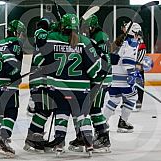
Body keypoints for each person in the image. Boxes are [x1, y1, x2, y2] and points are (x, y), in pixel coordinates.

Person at [29, 13, 106, 156]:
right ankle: (88, 143)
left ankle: (59, 143)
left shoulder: (52, 38)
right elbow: (94, 69)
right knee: (83, 115)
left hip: (58, 87)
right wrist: (98, 75)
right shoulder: (84, 41)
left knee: (62, 113)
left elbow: (39, 59)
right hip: (80, 88)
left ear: (62, 26)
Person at [68, 14, 112, 152]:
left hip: (101, 77)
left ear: (92, 27)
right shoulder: (95, 37)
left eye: (87, 28)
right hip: (97, 77)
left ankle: (104, 138)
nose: (85, 31)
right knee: (86, 109)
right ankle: (82, 136)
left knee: (94, 109)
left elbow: (103, 57)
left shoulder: (100, 36)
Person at [0, 20, 26, 158]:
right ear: (17, 32)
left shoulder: (0, 43)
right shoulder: (14, 43)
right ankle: (2, 139)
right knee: (11, 110)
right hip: (5, 84)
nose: (22, 37)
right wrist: (16, 76)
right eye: (21, 34)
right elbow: (10, 63)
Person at [103, 22, 143, 133]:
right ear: (134, 33)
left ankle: (103, 123)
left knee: (114, 99)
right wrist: (132, 73)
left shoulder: (120, 42)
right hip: (123, 78)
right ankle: (123, 123)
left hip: (113, 78)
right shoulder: (132, 42)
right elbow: (127, 60)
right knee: (132, 98)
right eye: (138, 33)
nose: (139, 36)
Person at [24, 18, 53, 153]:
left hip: (41, 79)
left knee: (44, 109)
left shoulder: (43, 36)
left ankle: (36, 137)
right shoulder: (41, 33)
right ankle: (33, 138)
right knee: (44, 110)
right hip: (39, 79)